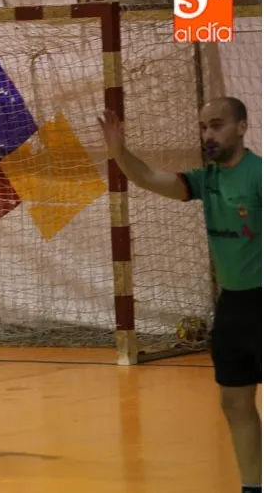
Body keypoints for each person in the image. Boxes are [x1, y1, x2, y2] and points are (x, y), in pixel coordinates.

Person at [99, 97, 261, 493]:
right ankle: (252, 487)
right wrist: (119, 152)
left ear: (241, 127)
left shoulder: (258, 175)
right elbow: (150, 177)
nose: (208, 134)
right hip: (234, 308)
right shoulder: (206, 180)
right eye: (203, 126)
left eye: (217, 125)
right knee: (234, 402)